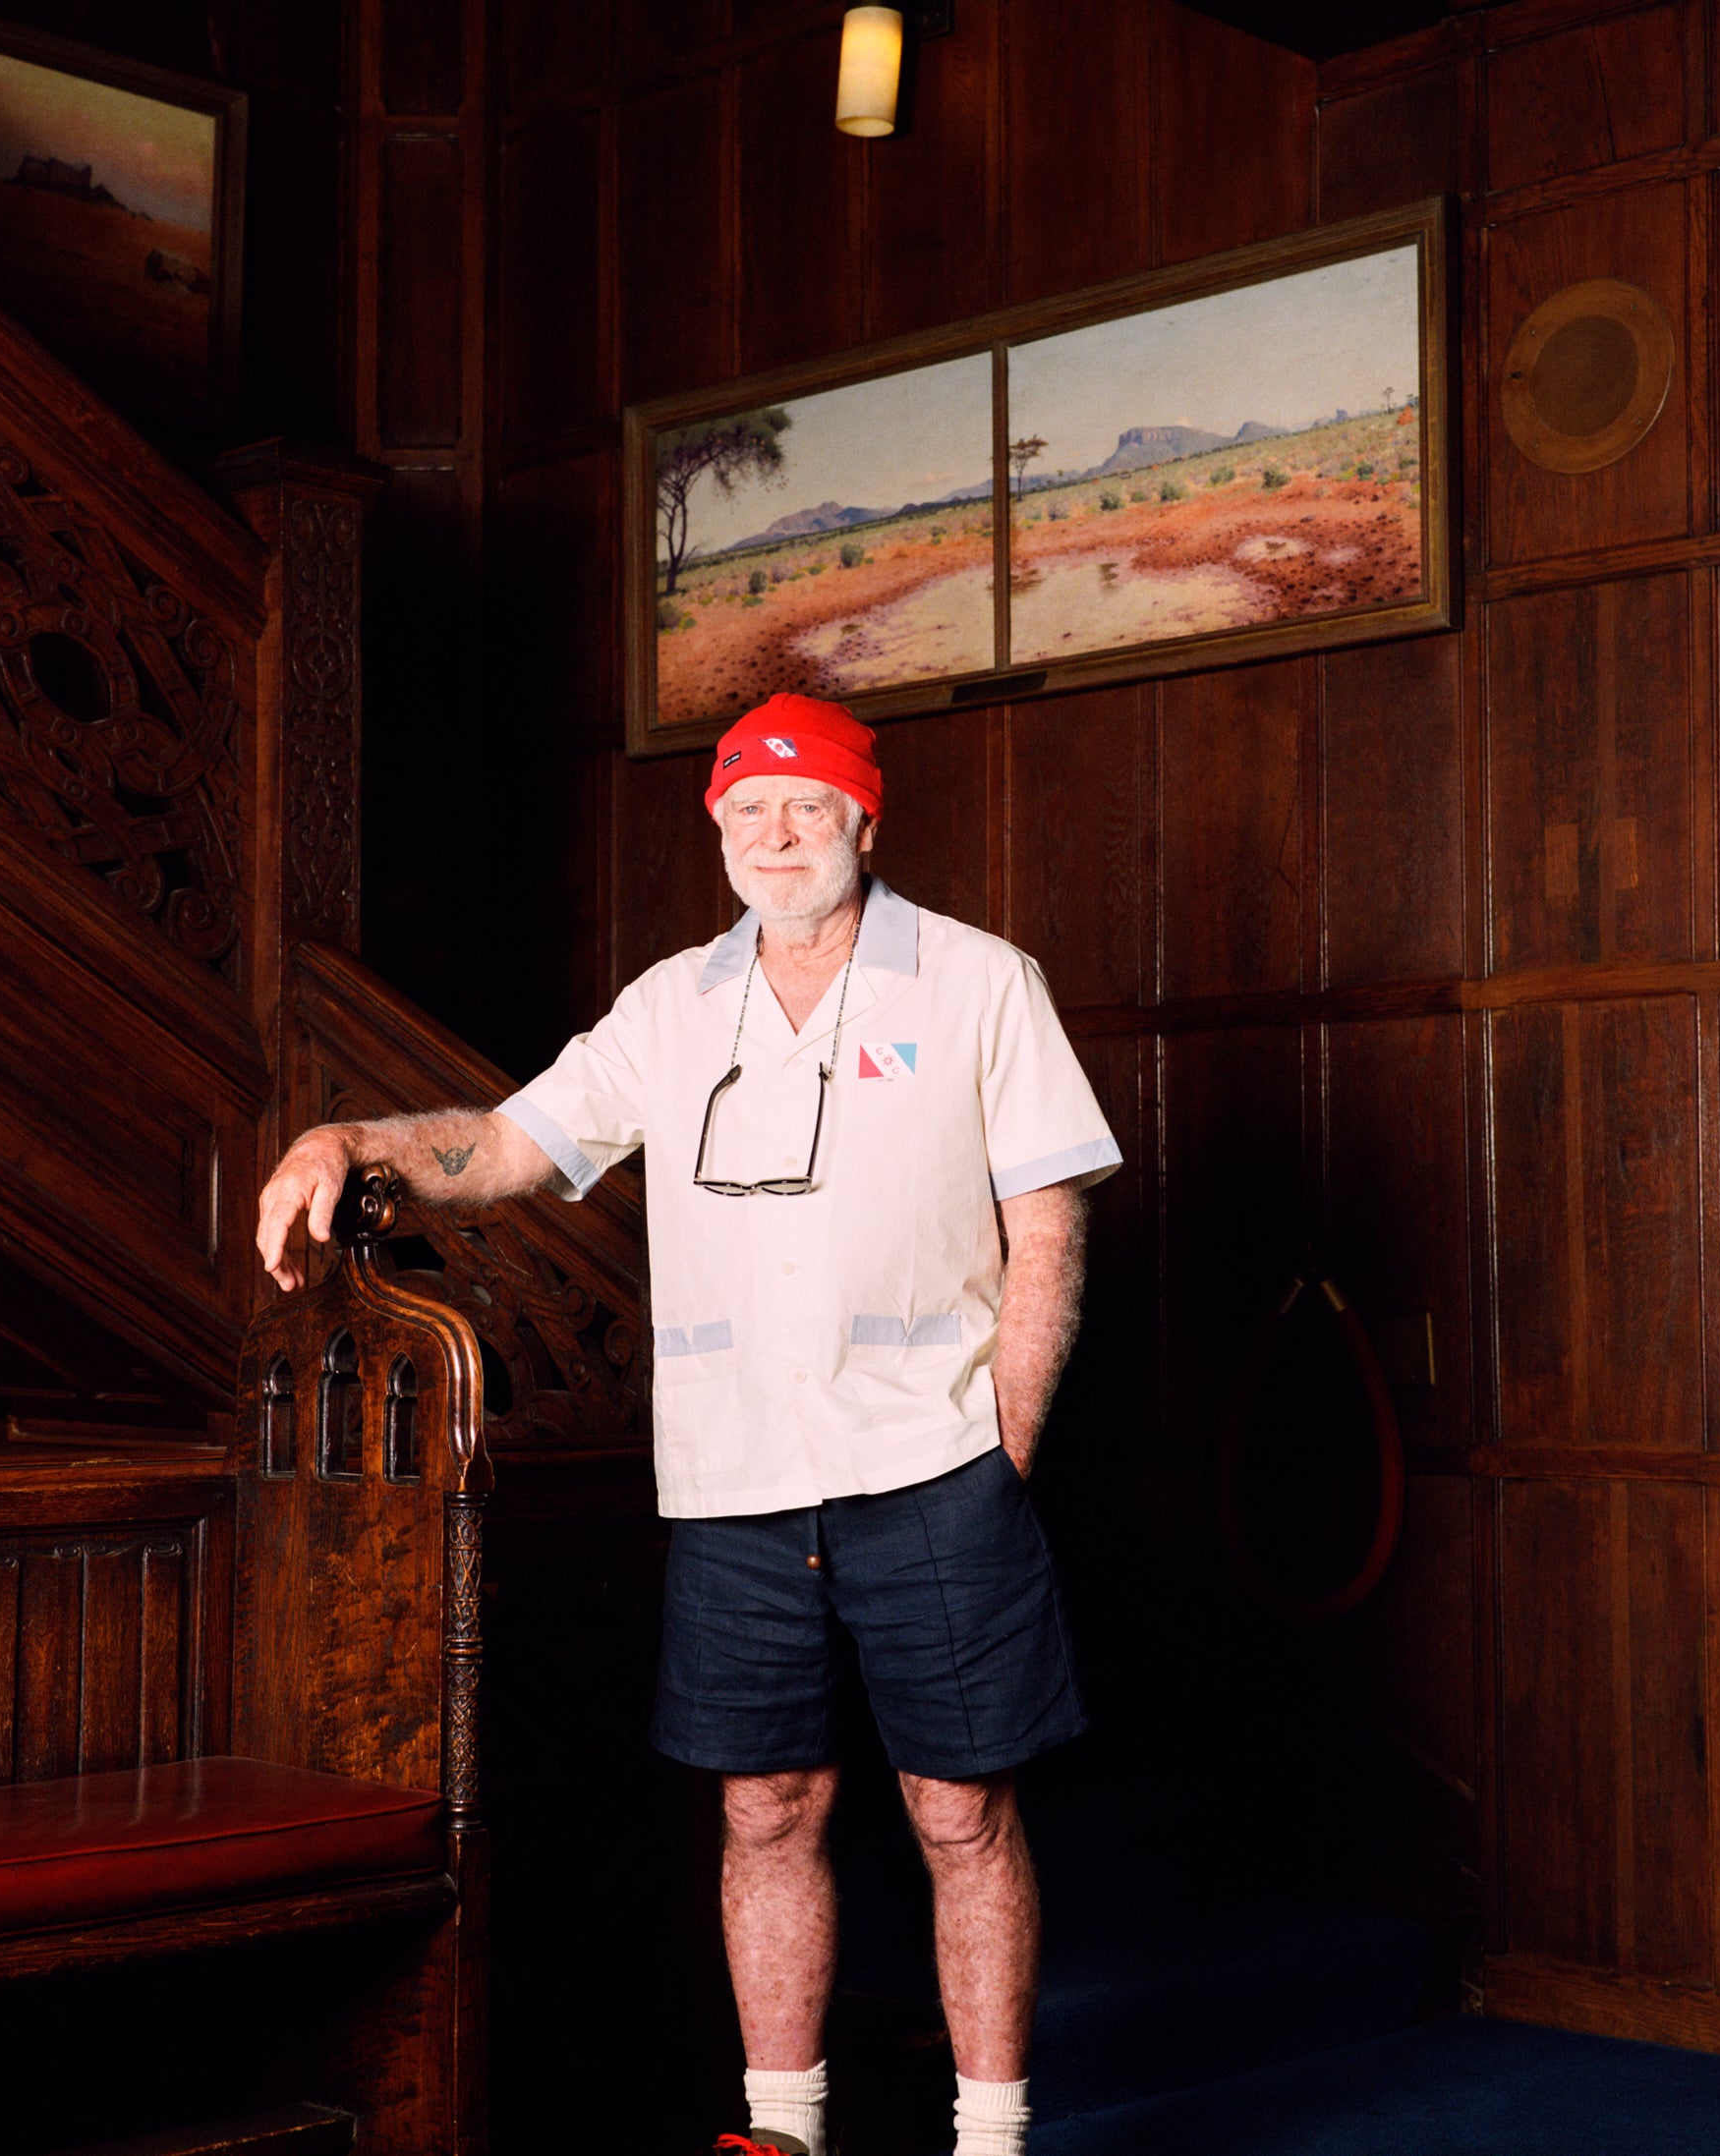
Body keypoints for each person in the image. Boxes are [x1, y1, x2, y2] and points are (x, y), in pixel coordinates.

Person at [257, 693, 1120, 2156]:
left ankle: (992, 2135)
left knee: (958, 1810)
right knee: (767, 1808)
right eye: (746, 810)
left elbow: (1044, 1229)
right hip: (731, 1483)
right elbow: (506, 1146)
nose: (775, 834)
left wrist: (1004, 1452)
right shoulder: (671, 1005)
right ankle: (778, 2131)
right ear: (717, 829)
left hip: (934, 1469)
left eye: (806, 805)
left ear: (864, 816)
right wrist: (345, 1139)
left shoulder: (978, 982)